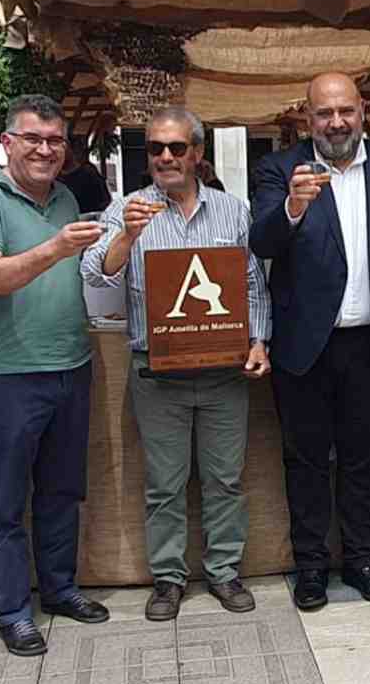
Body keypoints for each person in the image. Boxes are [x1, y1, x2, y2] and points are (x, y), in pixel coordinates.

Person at [82, 107, 271, 621]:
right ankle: (167, 579)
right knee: (164, 484)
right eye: (157, 148)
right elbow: (96, 276)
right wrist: (126, 236)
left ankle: (224, 571)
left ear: (197, 154)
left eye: (177, 148)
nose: (166, 157)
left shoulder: (233, 210)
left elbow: (251, 281)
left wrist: (259, 340)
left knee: (224, 479)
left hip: (224, 370)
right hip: (156, 371)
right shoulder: (127, 209)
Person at [249, 72, 370, 612]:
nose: (337, 122)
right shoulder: (280, 168)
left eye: (345, 110)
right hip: (304, 345)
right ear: (307, 118)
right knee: (305, 461)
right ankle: (311, 568)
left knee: (364, 457)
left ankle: (364, 561)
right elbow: (262, 242)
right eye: (325, 114)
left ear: (362, 110)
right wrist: (294, 208)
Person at [0, 94, 111, 657]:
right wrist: (54, 248)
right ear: (8, 143)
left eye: (54, 141)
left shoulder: (67, 196)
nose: (45, 150)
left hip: (71, 365)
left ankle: (60, 588)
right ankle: (13, 610)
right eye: (33, 139)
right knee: (3, 502)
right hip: (8, 374)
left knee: (61, 490)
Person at [59, 136, 113, 215]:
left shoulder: (88, 173)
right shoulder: (54, 177)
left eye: (63, 147)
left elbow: (105, 202)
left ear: (71, 149)